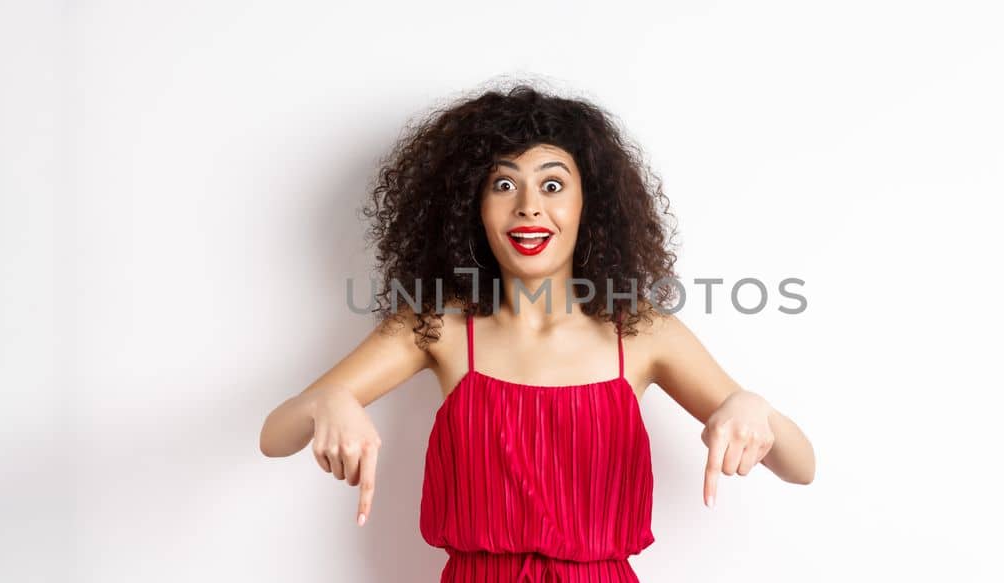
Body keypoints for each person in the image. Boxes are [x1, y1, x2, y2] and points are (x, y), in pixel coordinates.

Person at [259, 82, 816, 582]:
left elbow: (801, 466)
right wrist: (327, 400)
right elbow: (274, 435)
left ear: (587, 205)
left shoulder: (645, 334)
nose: (528, 208)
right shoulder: (435, 327)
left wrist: (751, 405)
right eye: (504, 184)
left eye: (552, 185)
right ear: (472, 207)